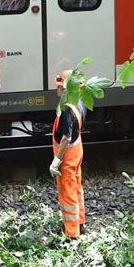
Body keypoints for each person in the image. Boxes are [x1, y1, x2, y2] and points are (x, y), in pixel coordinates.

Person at [49, 70, 87, 239]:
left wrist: (56, 161)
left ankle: (72, 235)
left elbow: (66, 137)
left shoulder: (66, 110)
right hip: (77, 151)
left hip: (68, 157)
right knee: (77, 188)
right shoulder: (79, 102)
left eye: (60, 85)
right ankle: (80, 222)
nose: (57, 88)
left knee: (68, 192)